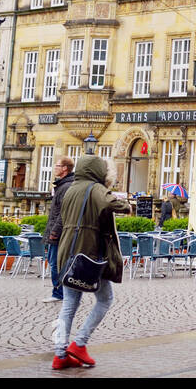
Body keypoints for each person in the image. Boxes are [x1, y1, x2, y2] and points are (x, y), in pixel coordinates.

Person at [51, 155, 130, 370]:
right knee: (105, 299)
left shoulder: (71, 188)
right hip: (89, 253)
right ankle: (80, 343)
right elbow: (118, 205)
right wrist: (126, 203)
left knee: (69, 304)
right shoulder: (95, 189)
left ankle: (60, 354)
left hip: (67, 251)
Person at [44, 156, 75, 303]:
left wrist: (55, 232)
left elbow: (63, 213)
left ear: (64, 169)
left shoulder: (66, 187)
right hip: (55, 230)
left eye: (57, 166)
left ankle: (59, 292)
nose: (54, 168)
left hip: (59, 233)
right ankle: (59, 291)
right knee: (53, 261)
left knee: (56, 263)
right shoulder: (61, 185)